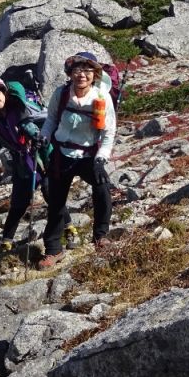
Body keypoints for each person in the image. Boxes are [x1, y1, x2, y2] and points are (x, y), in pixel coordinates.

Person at [0, 75, 78, 253]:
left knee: (50, 193)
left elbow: (45, 121)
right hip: (23, 163)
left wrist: (37, 136)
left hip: (44, 156)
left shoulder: (21, 106)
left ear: (4, 91)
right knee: (18, 201)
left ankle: (69, 229)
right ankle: (7, 240)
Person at [38, 52, 117, 269]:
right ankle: (53, 250)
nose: (82, 75)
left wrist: (101, 159)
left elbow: (109, 132)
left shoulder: (102, 98)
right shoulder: (61, 94)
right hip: (61, 154)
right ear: (70, 73)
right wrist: (43, 137)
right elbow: (51, 119)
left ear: (95, 74)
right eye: (77, 70)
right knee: (55, 201)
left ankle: (101, 236)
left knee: (102, 189)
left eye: (87, 70)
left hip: (89, 156)